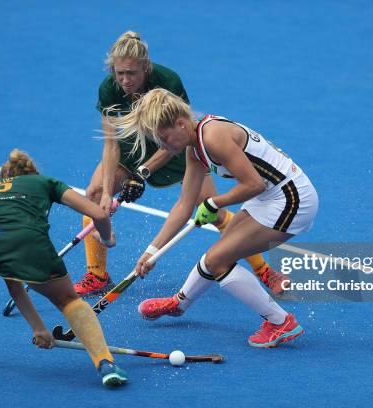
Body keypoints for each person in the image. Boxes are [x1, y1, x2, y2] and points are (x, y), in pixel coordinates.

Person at [76, 30, 288, 297]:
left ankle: (264, 271)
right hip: (133, 149)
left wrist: (141, 174)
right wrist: (108, 192)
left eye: (131, 73)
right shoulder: (109, 89)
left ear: (146, 68)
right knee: (94, 194)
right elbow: (111, 144)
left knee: (212, 209)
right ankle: (97, 275)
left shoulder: (167, 81)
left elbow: (180, 136)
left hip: (171, 149)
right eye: (119, 74)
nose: (125, 80)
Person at [108, 89, 319, 347]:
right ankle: (179, 303)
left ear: (181, 123)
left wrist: (214, 202)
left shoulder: (213, 136)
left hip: (291, 199)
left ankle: (280, 322)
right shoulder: (194, 148)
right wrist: (152, 251)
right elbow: (184, 204)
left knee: (218, 259)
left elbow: (253, 184)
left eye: (164, 139)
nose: (163, 148)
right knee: (217, 254)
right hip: (271, 196)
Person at [0, 149, 127, 387]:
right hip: (26, 241)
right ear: (33, 172)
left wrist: (38, 328)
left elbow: (11, 276)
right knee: (68, 300)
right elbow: (98, 213)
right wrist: (107, 238)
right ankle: (105, 365)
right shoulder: (45, 182)